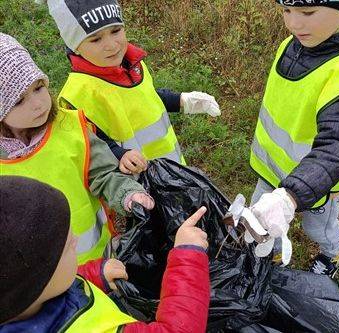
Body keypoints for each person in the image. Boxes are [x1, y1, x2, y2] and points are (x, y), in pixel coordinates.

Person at [249, 0, 339, 277]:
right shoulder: (295, 44)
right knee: (262, 219)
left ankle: (331, 255)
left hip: (320, 181)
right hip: (273, 167)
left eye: (307, 13)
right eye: (286, 11)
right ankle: (275, 253)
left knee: (317, 227)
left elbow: (336, 147)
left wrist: (290, 196)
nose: (293, 24)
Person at [0, 33, 154, 264]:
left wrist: (128, 194)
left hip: (100, 261)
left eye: (39, 87)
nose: (38, 103)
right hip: (39, 286)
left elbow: (103, 174)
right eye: (19, 101)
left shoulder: (71, 127)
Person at [0, 176, 210, 333]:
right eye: (65, 247)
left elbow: (59, 282)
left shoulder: (23, 299)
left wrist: (94, 274)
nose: (75, 239)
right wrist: (187, 255)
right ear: (35, 284)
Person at [44, 0, 221, 175]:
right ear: (76, 48)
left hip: (173, 170)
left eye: (116, 31)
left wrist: (182, 101)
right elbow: (89, 147)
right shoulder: (76, 96)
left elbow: (144, 98)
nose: (112, 45)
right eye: (96, 39)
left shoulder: (133, 64)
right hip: (136, 188)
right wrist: (119, 154)